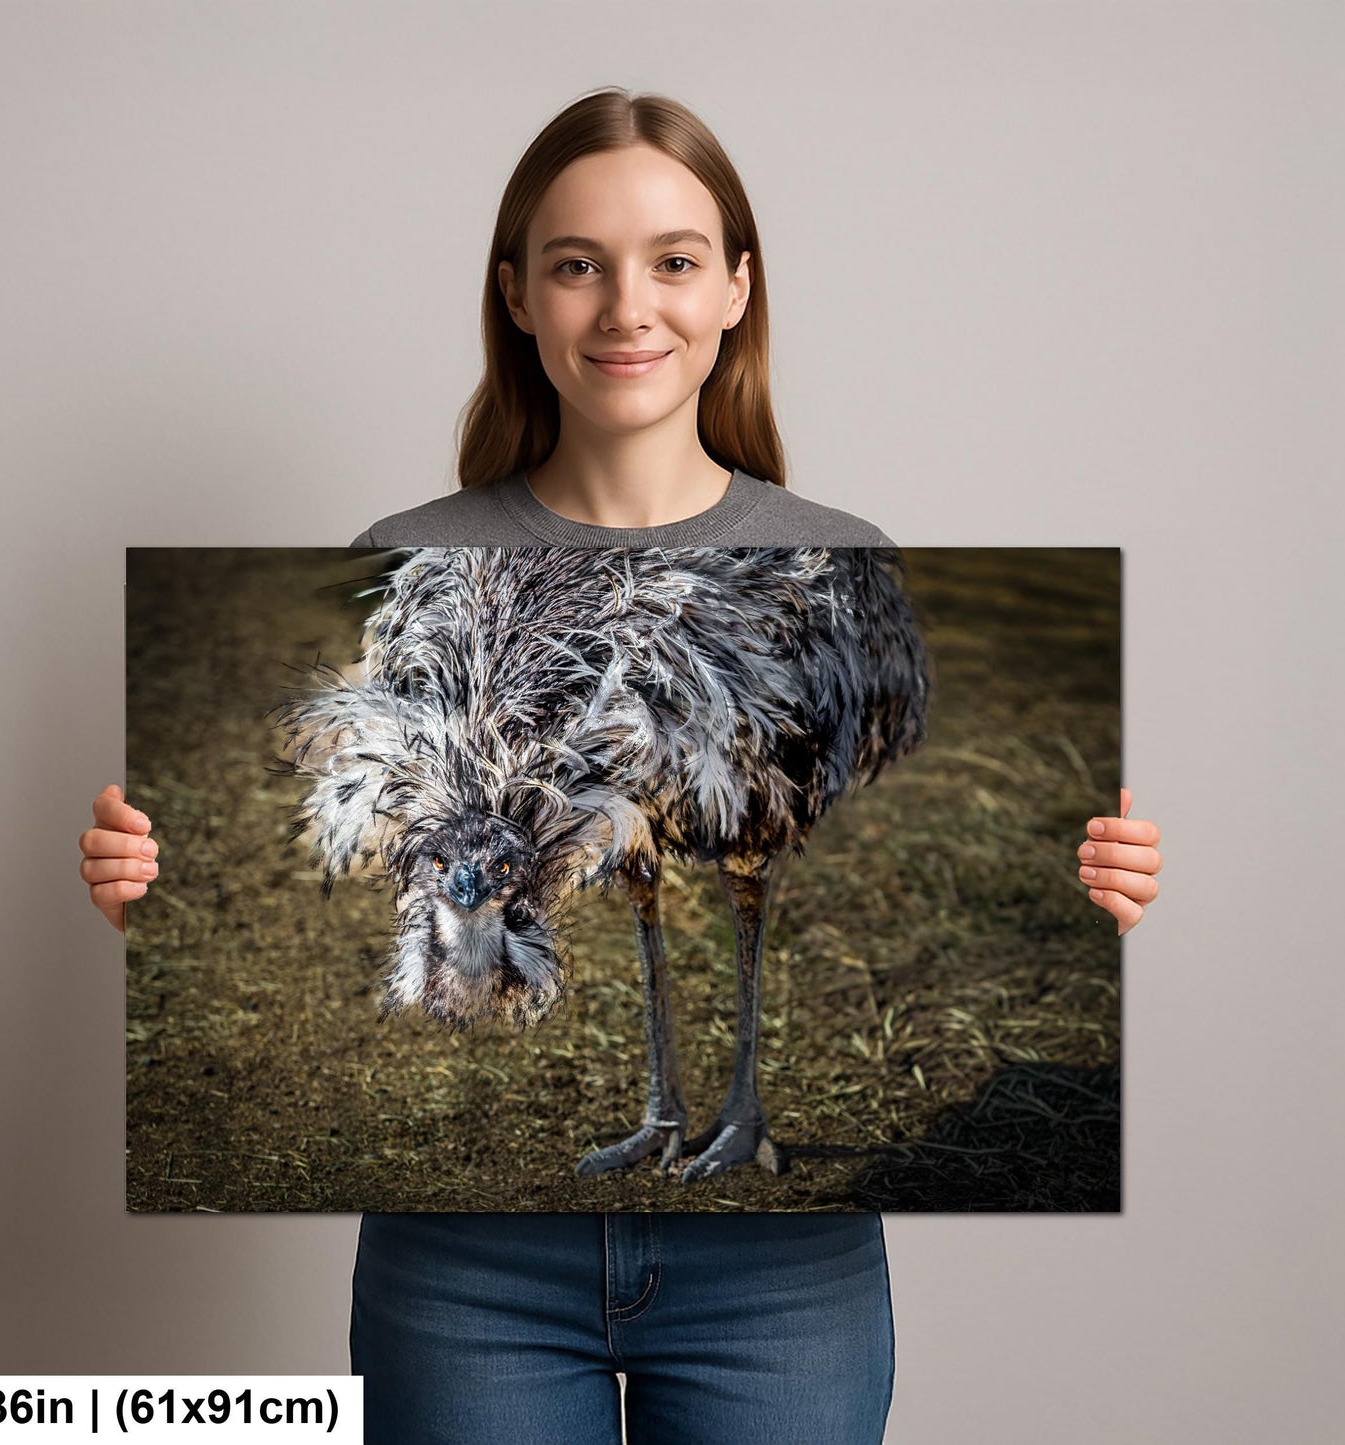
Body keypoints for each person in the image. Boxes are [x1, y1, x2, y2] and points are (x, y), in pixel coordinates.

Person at [79, 89, 1162, 1445]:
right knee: (639, 869)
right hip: (468, 1276)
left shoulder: (826, 555)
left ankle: (738, 1113)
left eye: (673, 259)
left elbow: (859, 741)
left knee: (733, 865)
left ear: (733, 291)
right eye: (577, 262)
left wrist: (1110, 888)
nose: (625, 306)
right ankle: (663, 1107)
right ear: (518, 295)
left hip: (782, 1286)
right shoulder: (421, 552)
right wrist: (136, 885)